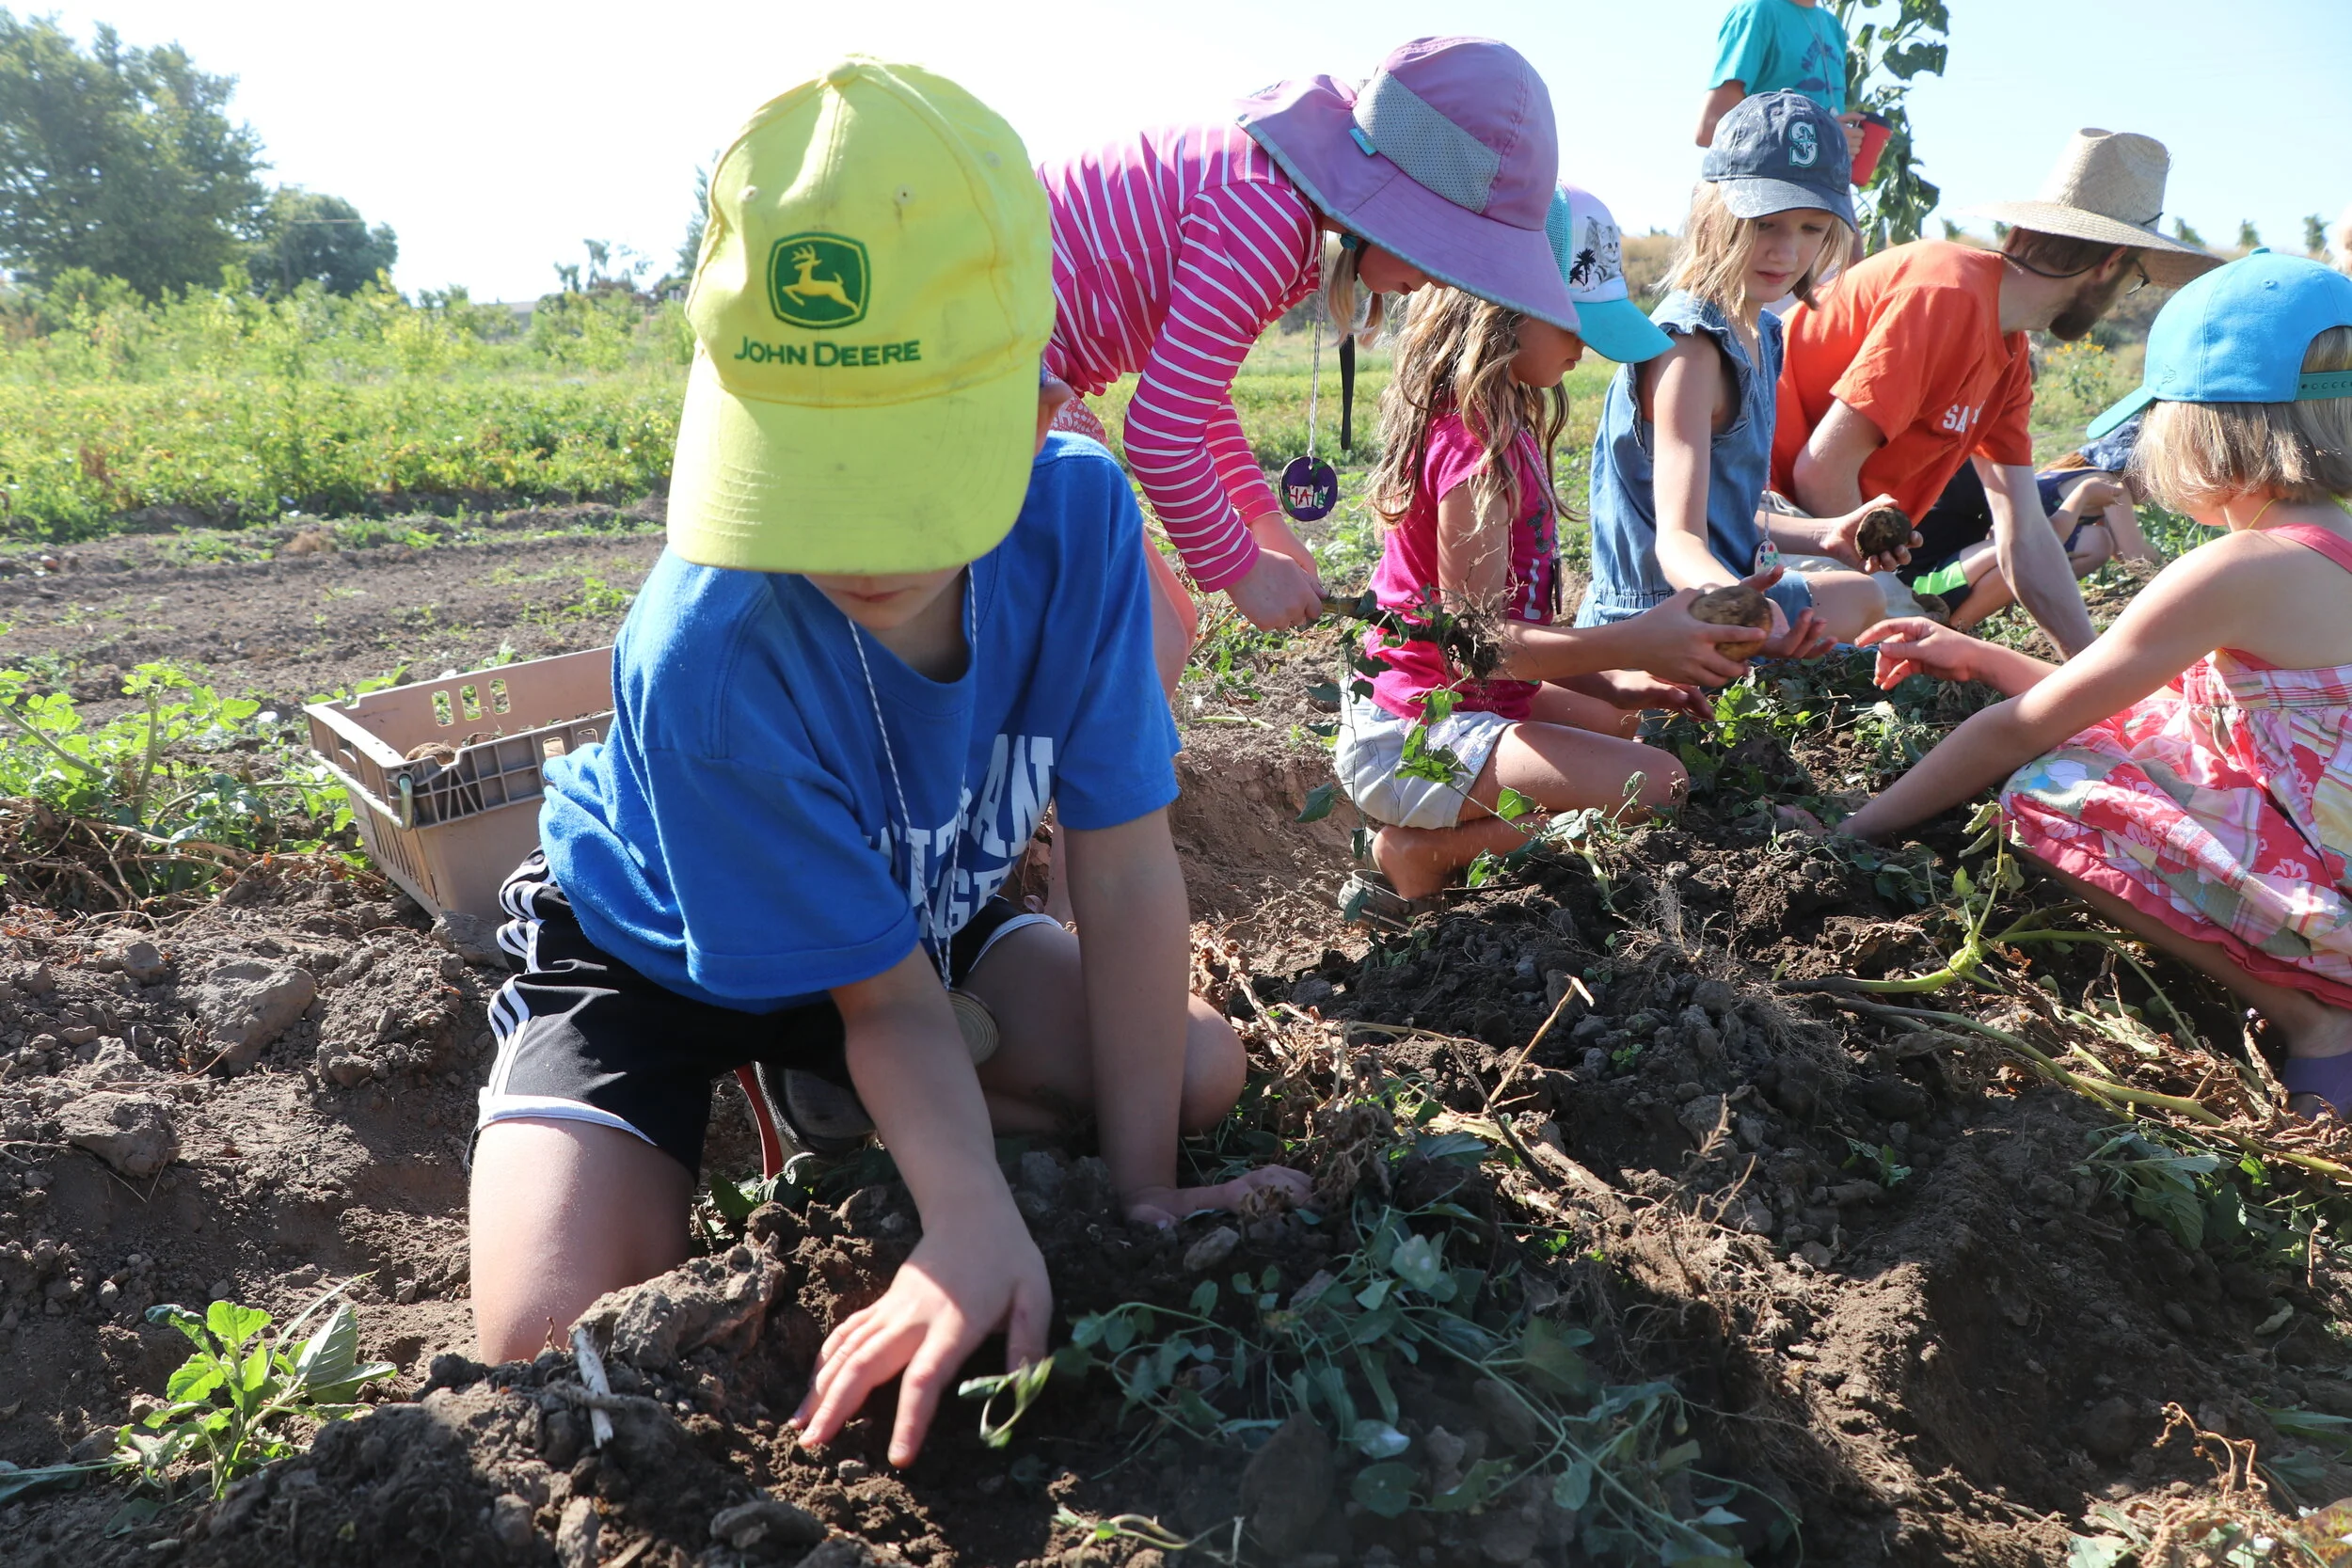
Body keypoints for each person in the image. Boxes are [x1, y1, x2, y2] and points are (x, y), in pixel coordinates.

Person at [466, 60, 1304, 1466]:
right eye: (812, 474)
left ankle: (836, 1102)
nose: (857, 542)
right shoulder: (706, 646)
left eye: (910, 474)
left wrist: (1141, 1189)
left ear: (1041, 405)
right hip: (649, 955)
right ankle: (813, 1104)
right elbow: (887, 999)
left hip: (909, 922)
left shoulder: (1083, 531)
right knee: (558, 1370)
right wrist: (971, 1208)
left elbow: (1126, 863)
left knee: (1191, 1077)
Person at [1825, 253, 2352, 1116]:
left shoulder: (2237, 568)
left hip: (2336, 916)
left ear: (2202, 424)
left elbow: (2021, 733)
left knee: (2053, 790)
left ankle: (2315, 1016)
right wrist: (1986, 657)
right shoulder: (2329, 547)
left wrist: (1851, 829)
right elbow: (2147, 714)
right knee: (2137, 743)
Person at [1038, 36, 1581, 689]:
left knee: (1166, 630)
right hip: (998, 367)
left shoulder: (1279, 202)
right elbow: (1158, 434)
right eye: (1450, 247)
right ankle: (1047, 790)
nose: (1441, 278)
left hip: (1023, 369)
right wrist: (1244, 571)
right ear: (1400, 200)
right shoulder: (1265, 217)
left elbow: (1197, 392)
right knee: (1146, 643)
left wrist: (1264, 521)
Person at [1330, 242, 1780, 905]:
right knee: (1660, 786)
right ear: (1503, 310)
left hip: (1467, 705)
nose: (1586, 345)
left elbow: (1505, 646)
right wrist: (1634, 641)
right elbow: (1477, 645)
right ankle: (1418, 851)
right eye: (1574, 321)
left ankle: (1448, 838)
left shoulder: (1505, 422)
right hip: (1414, 734)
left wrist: (1619, 682)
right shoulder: (1474, 452)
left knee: (1615, 723)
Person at [1772, 129, 2221, 657]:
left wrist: (2093, 673)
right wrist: (1891, 597)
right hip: (1761, 516)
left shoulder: (2008, 358)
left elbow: (2024, 534)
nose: (2123, 301)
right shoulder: (1947, 292)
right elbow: (1820, 473)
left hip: (1826, 541)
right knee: (1898, 653)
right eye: (2135, 279)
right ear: (2109, 263)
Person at [1583, 93, 1883, 646]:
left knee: (1866, 596)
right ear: (1714, 211)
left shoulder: (1761, 331)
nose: (1786, 252)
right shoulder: (1691, 351)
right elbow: (1677, 541)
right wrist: (1760, 622)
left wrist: (1826, 534)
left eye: (1812, 228)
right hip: (1659, 615)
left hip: (1726, 590)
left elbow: (1723, 515)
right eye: (1765, 223)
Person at [1900, 416, 2155, 628]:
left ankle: (1970, 619)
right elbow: (2134, 554)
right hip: (1927, 584)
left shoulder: (1972, 460)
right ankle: (1954, 629)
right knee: (2032, 551)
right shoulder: (2106, 484)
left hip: (1945, 572)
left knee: (2041, 548)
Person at [1693, 0, 1865, 163]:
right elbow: (1711, 130)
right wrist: (1821, 139)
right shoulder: (1757, 12)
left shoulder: (1832, 26)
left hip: (1824, 189)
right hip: (1767, 189)